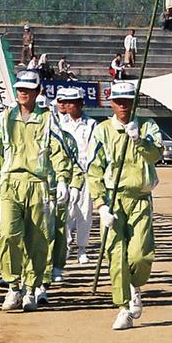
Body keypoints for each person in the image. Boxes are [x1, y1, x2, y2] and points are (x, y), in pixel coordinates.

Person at [0, 69, 72, 312]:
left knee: (38, 240)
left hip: (38, 184)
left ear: (38, 91)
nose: (23, 93)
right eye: (20, 88)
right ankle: (13, 286)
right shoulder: (4, 118)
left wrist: (63, 179)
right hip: (10, 183)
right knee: (8, 235)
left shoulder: (48, 119)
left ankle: (31, 288)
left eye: (28, 89)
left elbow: (59, 149)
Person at [88, 80, 163, 330]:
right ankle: (123, 308)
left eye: (128, 101)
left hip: (140, 197)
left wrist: (140, 140)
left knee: (140, 255)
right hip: (113, 199)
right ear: (111, 103)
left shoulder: (148, 126)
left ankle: (135, 285)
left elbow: (156, 155)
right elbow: (94, 169)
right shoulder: (102, 130)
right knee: (116, 254)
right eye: (119, 101)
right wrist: (101, 205)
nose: (123, 106)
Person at [57, 86, 99, 265]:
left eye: (72, 102)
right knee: (65, 211)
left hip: (86, 172)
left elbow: (94, 149)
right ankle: (65, 245)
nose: (68, 106)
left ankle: (82, 248)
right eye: (66, 102)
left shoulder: (92, 124)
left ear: (81, 103)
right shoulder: (60, 124)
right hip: (66, 172)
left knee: (84, 211)